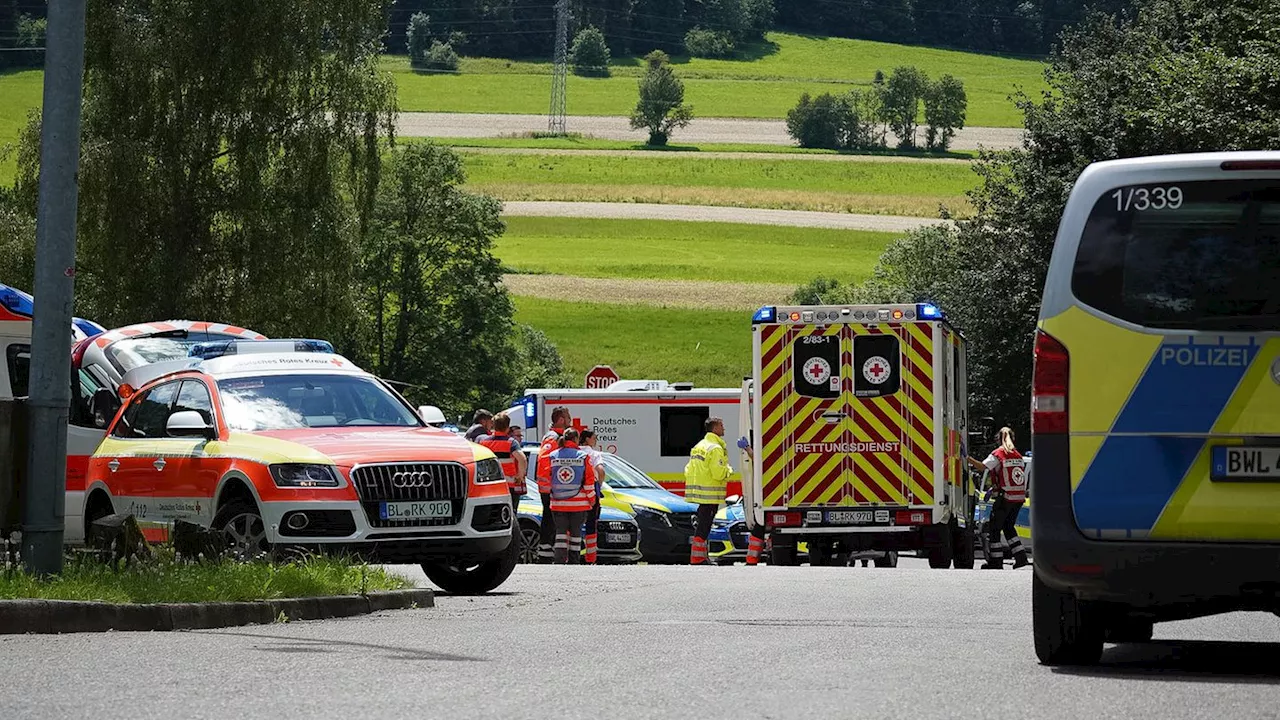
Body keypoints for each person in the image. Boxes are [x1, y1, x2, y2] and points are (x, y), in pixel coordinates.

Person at [968, 426, 1030, 569]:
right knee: (1008, 528)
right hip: (1018, 499)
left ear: (998, 439)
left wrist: (967, 458)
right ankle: (1021, 558)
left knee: (994, 529)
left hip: (1005, 498)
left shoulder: (999, 454)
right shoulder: (1017, 455)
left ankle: (996, 562)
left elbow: (982, 467)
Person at [684, 417, 732, 566]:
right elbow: (718, 473)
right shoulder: (715, 448)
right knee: (704, 526)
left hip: (700, 493)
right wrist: (728, 470)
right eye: (722, 426)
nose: (724, 429)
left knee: (702, 525)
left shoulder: (699, 446)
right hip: (710, 495)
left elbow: (687, 469)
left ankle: (700, 557)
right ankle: (698, 558)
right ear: (715, 428)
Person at [547, 429, 597, 564]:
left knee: (560, 534)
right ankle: (573, 562)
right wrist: (592, 500)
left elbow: (547, 478)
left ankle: (559, 561)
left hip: (557, 504)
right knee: (575, 535)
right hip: (578, 504)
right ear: (576, 439)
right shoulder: (583, 456)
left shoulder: (552, 455)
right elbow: (589, 481)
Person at [534, 406, 572, 563]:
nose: (570, 420)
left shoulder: (557, 436)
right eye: (568, 417)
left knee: (553, 521)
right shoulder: (552, 437)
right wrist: (552, 481)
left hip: (553, 487)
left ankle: (548, 552)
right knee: (550, 520)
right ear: (562, 419)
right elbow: (544, 461)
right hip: (550, 488)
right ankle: (544, 553)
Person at [477, 414, 527, 510]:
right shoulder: (511, 442)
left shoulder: (484, 442)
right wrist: (520, 475)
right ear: (507, 428)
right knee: (510, 513)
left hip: (490, 485)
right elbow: (522, 459)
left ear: (493, 426)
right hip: (508, 485)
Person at [736, 435, 769, 566]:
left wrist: (747, 448)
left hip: (766, 493)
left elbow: (758, 460)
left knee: (759, 526)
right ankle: (753, 559)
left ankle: (752, 559)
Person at [578, 429, 606, 564]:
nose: (595, 440)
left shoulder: (574, 452)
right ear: (587, 439)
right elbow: (600, 470)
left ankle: (570, 555)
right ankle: (591, 558)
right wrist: (598, 485)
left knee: (572, 525)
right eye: (594, 438)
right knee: (591, 525)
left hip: (574, 491)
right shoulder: (593, 454)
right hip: (591, 491)